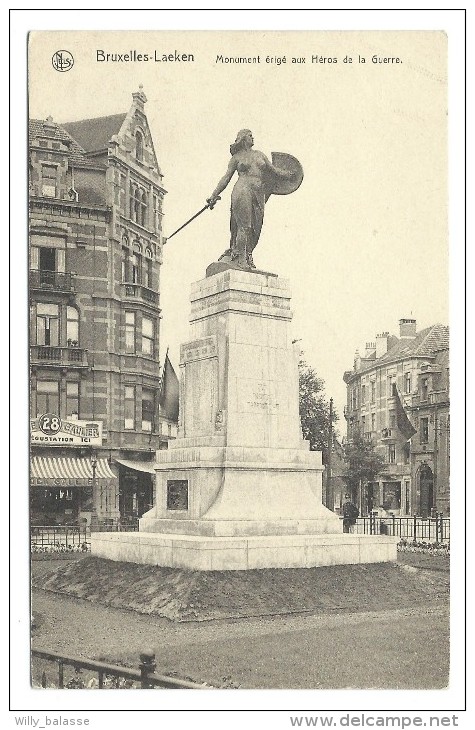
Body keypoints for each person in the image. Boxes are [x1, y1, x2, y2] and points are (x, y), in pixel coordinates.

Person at [207, 129, 295, 269]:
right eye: (250, 136)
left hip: (259, 192)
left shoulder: (260, 155)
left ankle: (247, 254)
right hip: (243, 189)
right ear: (242, 139)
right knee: (245, 225)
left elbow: (274, 170)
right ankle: (241, 259)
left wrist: (288, 175)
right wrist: (214, 195)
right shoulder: (236, 157)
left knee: (256, 226)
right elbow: (226, 178)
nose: (252, 138)